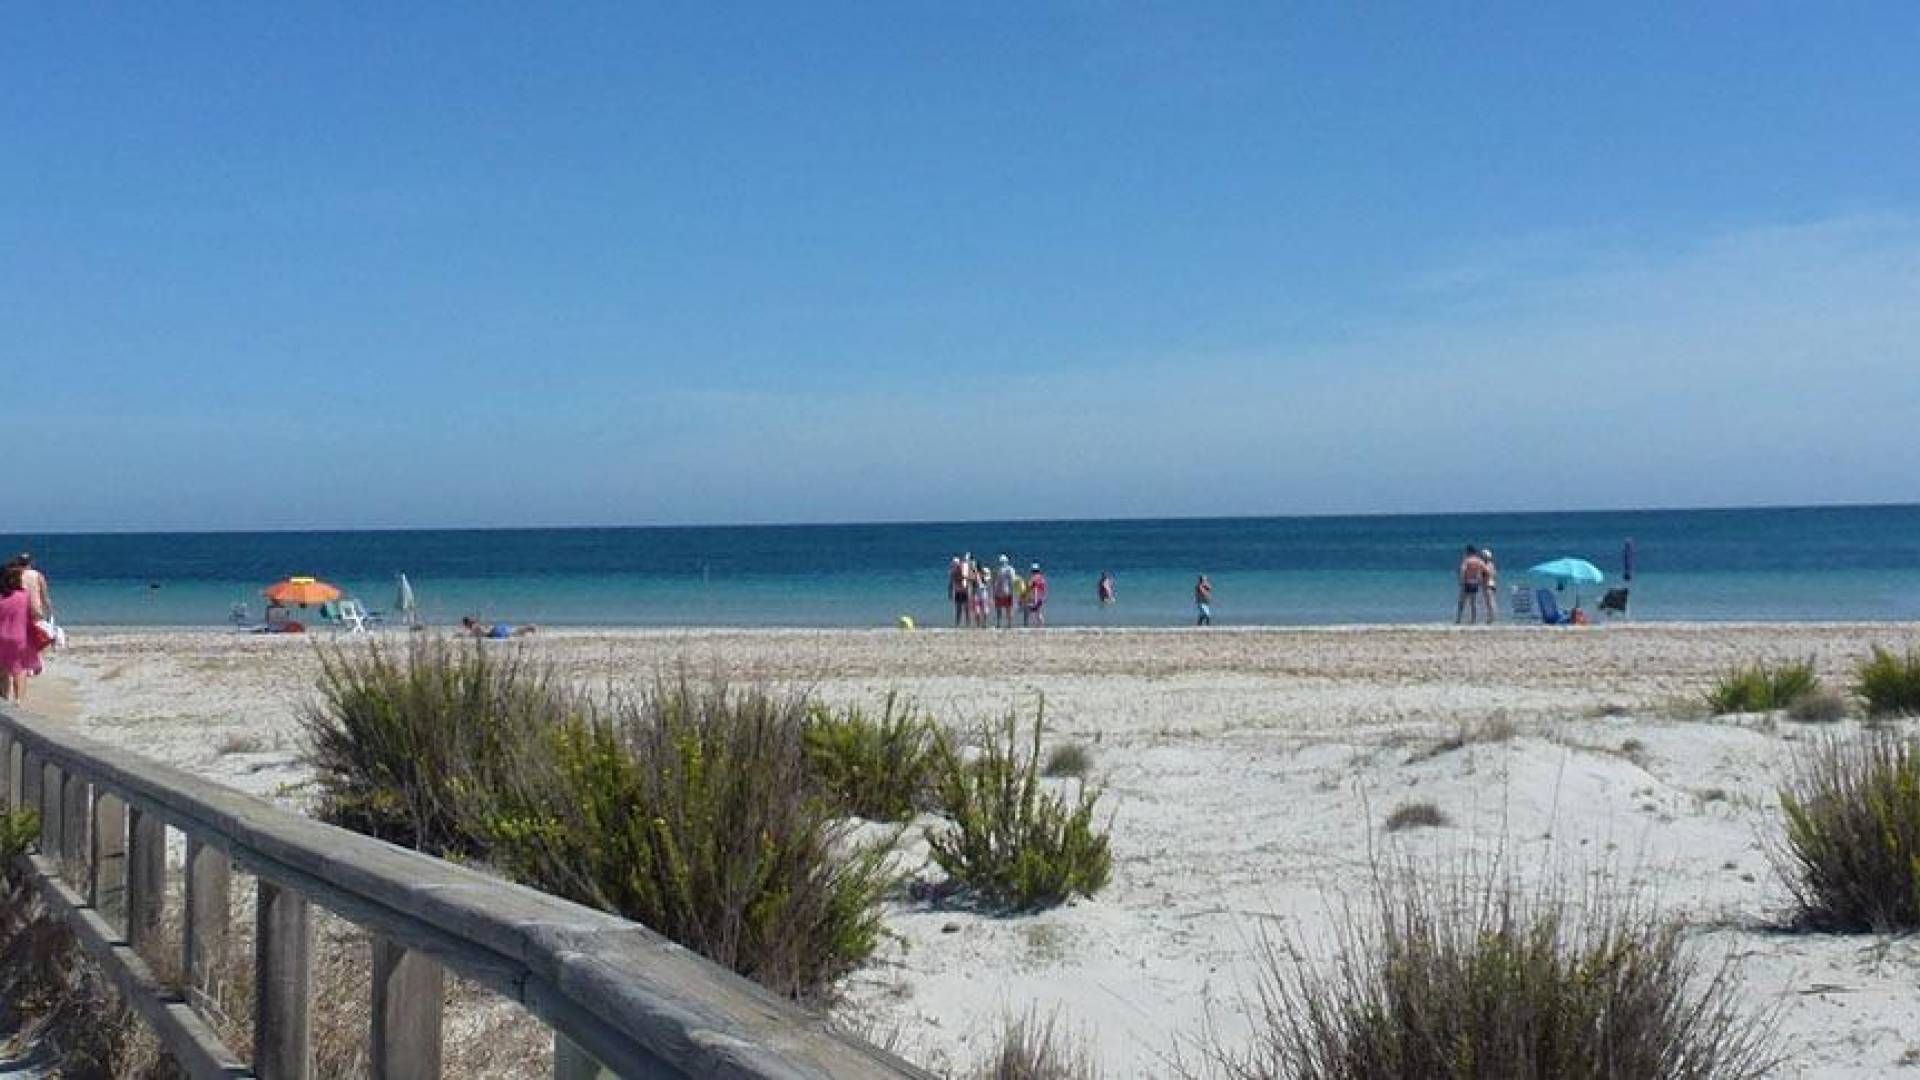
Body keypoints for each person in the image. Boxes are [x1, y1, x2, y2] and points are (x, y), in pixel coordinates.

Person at [0, 562, 45, 701]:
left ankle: (4, 698)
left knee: (3, 669)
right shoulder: (23, 596)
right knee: (19, 669)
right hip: (19, 637)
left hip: (1, 636)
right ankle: (18, 701)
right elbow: (35, 613)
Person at [1456, 545, 1489, 625]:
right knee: (1473, 603)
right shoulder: (1479, 561)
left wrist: (1461, 581)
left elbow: (1462, 571)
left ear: (1469, 552)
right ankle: (1473, 620)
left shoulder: (1467, 561)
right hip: (1475, 583)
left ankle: (1458, 619)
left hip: (1467, 582)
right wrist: (1483, 580)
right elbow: (1487, 571)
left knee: (1462, 602)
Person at [991, 555, 1017, 629]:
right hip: (1007, 591)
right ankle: (1008, 624)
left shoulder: (998, 569)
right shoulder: (1010, 569)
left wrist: (994, 591)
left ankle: (1000, 624)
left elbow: (994, 581)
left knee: (1000, 609)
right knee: (1008, 608)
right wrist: (1013, 591)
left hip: (1000, 592)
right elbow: (1013, 581)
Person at [461, 615, 537, 638]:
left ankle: (529, 627)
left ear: (467, 623)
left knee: (514, 632)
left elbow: (474, 634)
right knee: (515, 632)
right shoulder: (476, 625)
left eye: (465, 624)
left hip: (494, 632)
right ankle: (529, 628)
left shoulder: (474, 627)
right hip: (495, 629)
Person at [1479, 548, 1499, 624]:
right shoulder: (1491, 564)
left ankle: (1491, 618)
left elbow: (1487, 574)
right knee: (1491, 601)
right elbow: (1494, 574)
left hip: (1488, 584)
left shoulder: (1486, 565)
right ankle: (1492, 617)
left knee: (1489, 602)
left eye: (1482, 556)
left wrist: (1482, 580)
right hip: (1492, 583)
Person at [948, 556, 969, 627]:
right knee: (959, 608)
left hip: (963, 591)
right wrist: (950, 592)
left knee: (965, 608)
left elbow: (967, 579)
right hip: (958, 591)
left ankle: (966, 623)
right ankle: (958, 623)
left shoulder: (962, 571)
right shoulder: (953, 572)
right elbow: (951, 583)